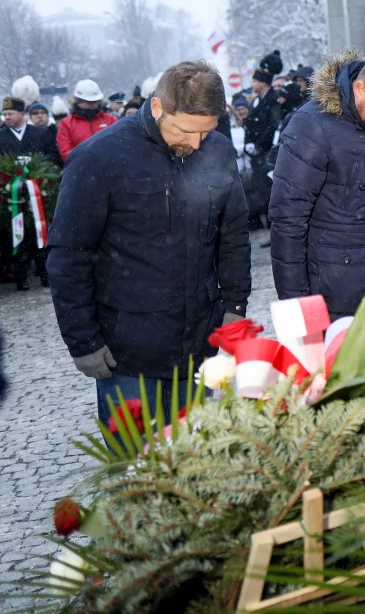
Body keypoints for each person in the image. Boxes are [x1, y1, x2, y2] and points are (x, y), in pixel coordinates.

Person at [47, 61, 250, 421]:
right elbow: (70, 255)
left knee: (195, 464)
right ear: (158, 107)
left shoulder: (217, 151)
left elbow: (232, 235)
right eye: (185, 130)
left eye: (207, 131)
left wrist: (234, 305)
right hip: (126, 351)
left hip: (197, 344)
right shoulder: (98, 158)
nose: (196, 142)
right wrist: (83, 341)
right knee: (136, 468)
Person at [269, 50, 365, 319]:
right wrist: (297, 309)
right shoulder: (312, 126)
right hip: (329, 297)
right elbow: (288, 221)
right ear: (359, 88)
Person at [1, 97, 60, 290]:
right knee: (17, 235)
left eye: (10, 113)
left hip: (39, 192)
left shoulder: (41, 134)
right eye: (5, 114)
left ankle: (45, 274)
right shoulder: (1, 137)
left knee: (40, 233)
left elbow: (53, 156)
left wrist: (37, 169)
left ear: (21, 114)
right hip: (11, 195)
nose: (7, 117)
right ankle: (21, 277)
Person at [243, 52, 282, 230]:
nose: (252, 84)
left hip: (266, 152)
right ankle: (269, 227)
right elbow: (251, 124)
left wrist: (259, 145)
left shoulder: (273, 100)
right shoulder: (257, 100)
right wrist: (248, 143)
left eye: (255, 81)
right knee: (260, 189)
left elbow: (272, 126)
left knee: (270, 191)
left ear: (264, 82)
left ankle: (274, 228)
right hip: (256, 153)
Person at [56, 79, 118, 163]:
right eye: (89, 102)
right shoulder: (67, 124)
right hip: (80, 170)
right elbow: (65, 152)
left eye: (95, 101)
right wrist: (87, 160)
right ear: (78, 101)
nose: (93, 104)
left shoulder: (110, 120)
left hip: (109, 168)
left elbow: (118, 145)